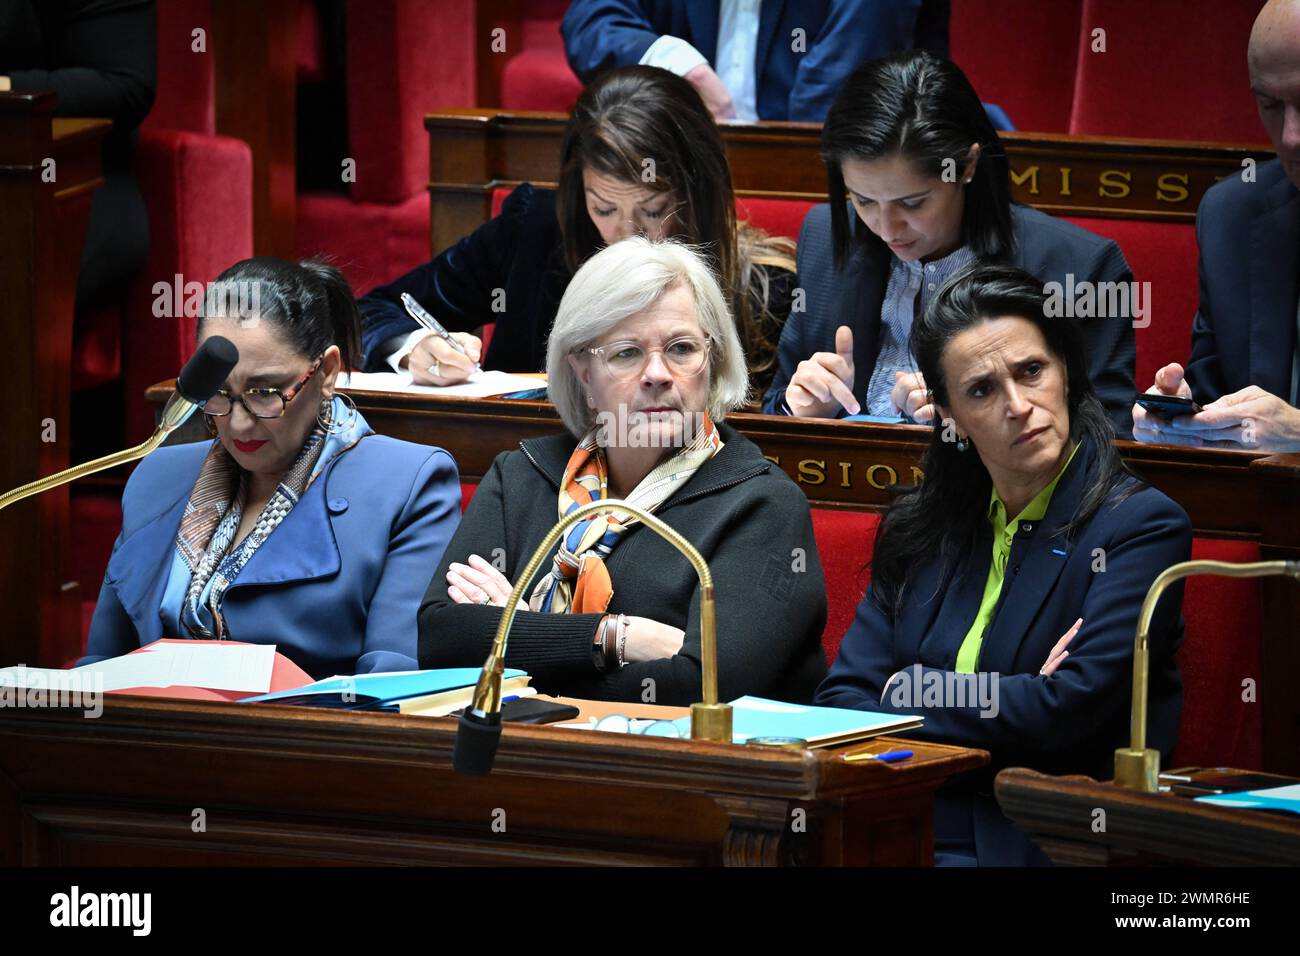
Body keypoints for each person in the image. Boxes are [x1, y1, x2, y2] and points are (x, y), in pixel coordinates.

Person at [815, 264, 1191, 866]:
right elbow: (839, 706)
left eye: (1032, 371)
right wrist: (1016, 698)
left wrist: (905, 689)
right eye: (982, 390)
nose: (1019, 405)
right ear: (950, 417)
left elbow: (1068, 713)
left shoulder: (1140, 527)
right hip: (896, 825)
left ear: (1065, 371)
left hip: (1041, 841)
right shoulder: (921, 529)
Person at [418, 238, 827, 706]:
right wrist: (617, 637)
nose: (657, 373)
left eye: (681, 348)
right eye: (627, 353)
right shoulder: (521, 476)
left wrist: (519, 636)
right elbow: (441, 642)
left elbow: (704, 685)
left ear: (711, 364)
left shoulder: (760, 503)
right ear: (584, 375)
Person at [82, 258, 462, 677]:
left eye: (264, 392)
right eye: (218, 392)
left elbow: (390, 684)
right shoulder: (157, 477)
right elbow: (100, 668)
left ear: (327, 373)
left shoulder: (406, 483)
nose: (239, 422)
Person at [359, 65, 796, 400]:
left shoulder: (763, 287)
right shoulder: (535, 231)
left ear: (695, 195)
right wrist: (413, 345)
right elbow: (374, 311)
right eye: (604, 208)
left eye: (654, 210)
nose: (627, 235)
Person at [765, 51, 1138, 439]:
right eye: (863, 201)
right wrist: (799, 408)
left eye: (912, 203)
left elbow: (1106, 440)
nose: (886, 227)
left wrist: (975, 417)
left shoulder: (1080, 266)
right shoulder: (824, 234)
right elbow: (777, 400)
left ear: (967, 166)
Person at [1133, 0, 1300, 452]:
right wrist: (1186, 416)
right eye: (1270, 104)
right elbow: (1216, 391)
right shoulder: (1232, 216)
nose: (1290, 137)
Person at [561, 0, 950, 123]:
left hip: (831, 190)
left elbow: (836, 100)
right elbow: (592, 21)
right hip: (682, 170)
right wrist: (673, 64)